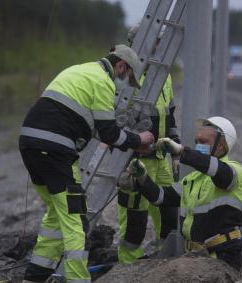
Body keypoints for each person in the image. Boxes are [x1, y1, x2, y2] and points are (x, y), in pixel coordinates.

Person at [19, 44, 154, 283]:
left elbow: (89, 125)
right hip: (55, 150)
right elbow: (110, 133)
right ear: (121, 66)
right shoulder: (103, 82)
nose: (124, 83)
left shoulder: (81, 71)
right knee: (76, 222)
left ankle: (35, 278)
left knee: (56, 214)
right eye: (128, 78)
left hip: (31, 144)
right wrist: (138, 140)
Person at [124, 117, 242, 271]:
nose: (198, 145)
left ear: (221, 146)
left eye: (203, 141)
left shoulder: (234, 170)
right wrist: (142, 178)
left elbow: (220, 173)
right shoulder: (192, 179)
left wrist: (182, 152)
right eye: (197, 141)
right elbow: (161, 197)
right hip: (195, 258)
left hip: (222, 257)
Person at [116, 25, 181, 264]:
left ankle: (166, 261)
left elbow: (170, 115)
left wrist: (175, 147)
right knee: (135, 216)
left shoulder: (165, 76)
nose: (158, 47)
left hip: (161, 158)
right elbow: (116, 119)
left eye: (160, 42)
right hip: (134, 159)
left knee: (169, 211)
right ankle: (128, 265)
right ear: (137, 44)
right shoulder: (127, 77)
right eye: (153, 42)